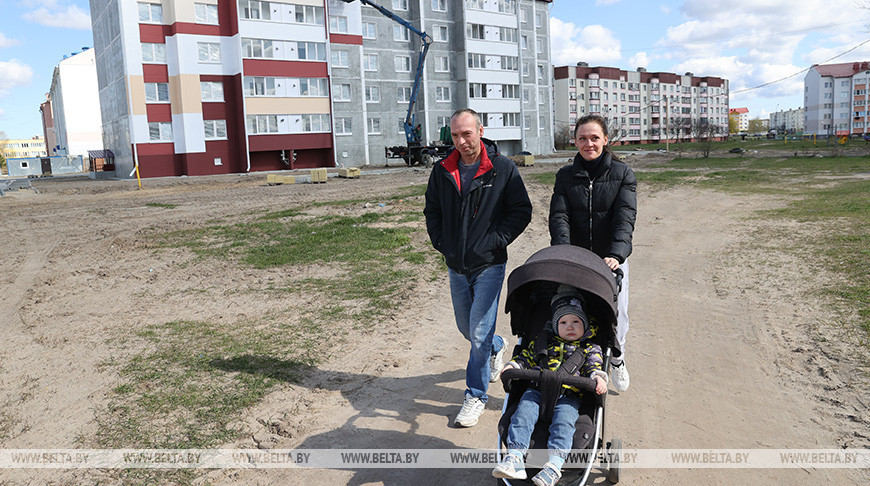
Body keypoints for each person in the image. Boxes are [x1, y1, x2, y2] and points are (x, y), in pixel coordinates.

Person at [424, 108, 533, 427]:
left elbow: (521, 210)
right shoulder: (442, 170)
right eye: (455, 135)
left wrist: (496, 240)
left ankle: (475, 396)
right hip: (456, 265)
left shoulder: (501, 168)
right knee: (468, 329)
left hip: (489, 264)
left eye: (466, 134)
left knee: (480, 330)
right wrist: (442, 242)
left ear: (480, 131)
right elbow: (432, 210)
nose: (461, 141)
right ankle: (497, 348)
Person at [549, 113, 637, 392]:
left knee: (616, 313)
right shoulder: (565, 176)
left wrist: (617, 254)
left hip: (610, 257)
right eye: (583, 138)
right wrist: (563, 251)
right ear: (575, 141)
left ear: (606, 140)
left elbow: (625, 218)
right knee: (575, 306)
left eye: (595, 138)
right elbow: (559, 215)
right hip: (576, 257)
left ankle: (618, 357)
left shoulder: (623, 174)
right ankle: (574, 359)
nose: (589, 143)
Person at [493, 286, 608, 486]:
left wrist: (598, 378)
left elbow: (594, 366)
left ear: (585, 324)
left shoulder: (590, 348)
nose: (569, 326)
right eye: (563, 322)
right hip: (537, 390)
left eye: (575, 321)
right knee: (522, 415)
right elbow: (525, 358)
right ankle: (515, 457)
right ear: (555, 325)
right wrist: (511, 366)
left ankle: (554, 466)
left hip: (568, 396)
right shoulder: (543, 341)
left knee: (563, 424)